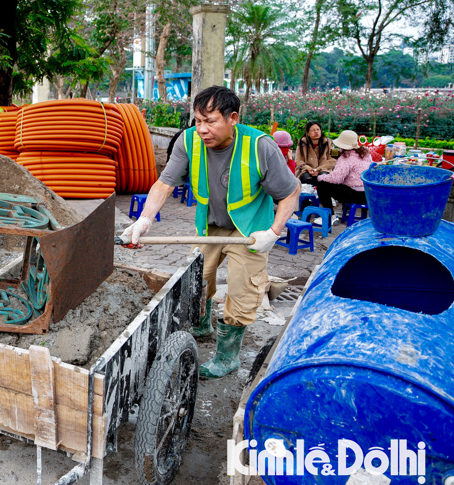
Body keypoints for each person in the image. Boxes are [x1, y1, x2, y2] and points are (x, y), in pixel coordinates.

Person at [120, 87, 300, 378]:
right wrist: (143, 220)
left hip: (250, 231)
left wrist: (274, 232)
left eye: (210, 121)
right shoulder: (188, 141)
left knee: (243, 292)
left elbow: (291, 192)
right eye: (197, 120)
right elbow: (165, 184)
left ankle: (227, 357)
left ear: (232, 118)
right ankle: (202, 323)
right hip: (210, 226)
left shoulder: (259, 146)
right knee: (196, 279)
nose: (202, 129)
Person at [317, 130, 369, 211]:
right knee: (344, 185)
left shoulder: (346, 157)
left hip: (357, 195)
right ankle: (346, 211)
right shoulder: (365, 154)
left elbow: (336, 179)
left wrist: (321, 177)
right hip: (369, 194)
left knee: (322, 185)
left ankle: (330, 216)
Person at [293, 122, 335, 186]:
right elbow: (298, 160)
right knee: (307, 179)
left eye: (318, 129)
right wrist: (308, 168)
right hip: (306, 170)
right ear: (308, 133)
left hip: (324, 169)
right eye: (313, 130)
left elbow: (333, 160)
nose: (316, 132)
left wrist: (318, 169)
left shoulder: (330, 143)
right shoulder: (301, 144)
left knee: (323, 179)